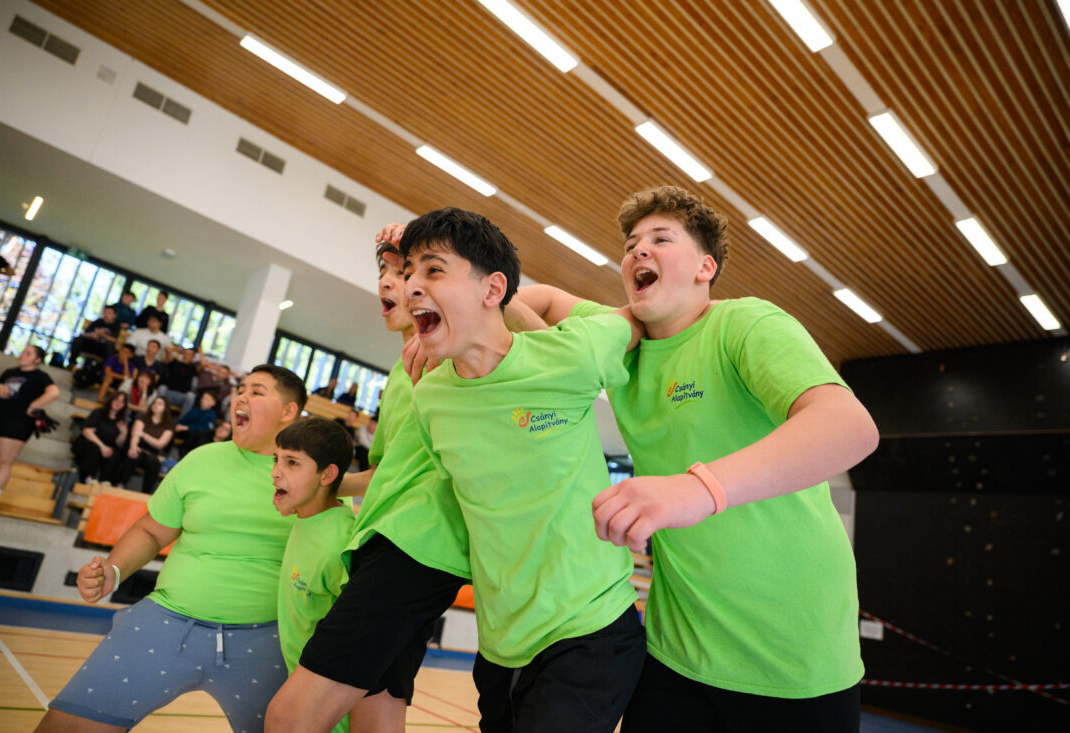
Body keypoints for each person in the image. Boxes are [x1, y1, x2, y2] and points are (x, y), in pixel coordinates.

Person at [513, 186, 880, 732]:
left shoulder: (744, 324)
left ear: (706, 268)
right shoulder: (620, 341)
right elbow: (538, 299)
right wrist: (454, 320)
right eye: (631, 245)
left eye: (661, 239)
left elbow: (851, 428)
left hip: (797, 659)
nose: (639, 250)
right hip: (676, 656)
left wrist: (696, 489)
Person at [399, 208, 646, 733]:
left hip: (591, 629)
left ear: (493, 289)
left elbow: (640, 319)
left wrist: (519, 308)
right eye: (408, 274)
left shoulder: (572, 353)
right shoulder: (429, 398)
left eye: (433, 270)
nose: (411, 286)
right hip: (500, 646)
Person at [264, 237, 470, 733]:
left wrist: (420, 234)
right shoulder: (401, 371)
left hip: (412, 545)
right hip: (403, 542)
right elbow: (384, 471)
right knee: (377, 709)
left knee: (289, 716)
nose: (389, 283)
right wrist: (318, 483)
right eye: (386, 272)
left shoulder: (452, 355)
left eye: (406, 272)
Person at [34, 365, 307, 733]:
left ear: (288, 411)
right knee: (67, 727)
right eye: (241, 389)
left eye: (257, 392)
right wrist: (114, 570)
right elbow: (151, 531)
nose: (241, 396)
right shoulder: (200, 460)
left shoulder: (314, 478)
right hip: (166, 621)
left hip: (267, 639)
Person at [270, 417, 357, 733]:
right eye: (276, 459)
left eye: (292, 462)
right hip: (301, 690)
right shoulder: (307, 515)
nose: (275, 472)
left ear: (327, 475)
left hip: (331, 714)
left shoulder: (341, 542)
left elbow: (363, 641)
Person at [0, 344, 61, 513]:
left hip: (18, 422)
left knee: (3, 462)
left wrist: (34, 405)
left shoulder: (40, 376)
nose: (23, 355)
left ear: (37, 360)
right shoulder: (9, 372)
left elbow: (54, 392)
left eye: (28, 353)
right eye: (23, 351)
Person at [119, 395, 174, 493]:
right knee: (134, 454)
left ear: (165, 408)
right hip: (137, 448)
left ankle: (146, 493)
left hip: (152, 454)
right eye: (154, 402)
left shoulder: (168, 426)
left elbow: (160, 444)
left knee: (154, 461)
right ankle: (120, 484)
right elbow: (135, 435)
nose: (155, 405)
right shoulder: (143, 418)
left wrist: (144, 434)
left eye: (159, 403)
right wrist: (133, 447)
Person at [72, 391, 129, 484]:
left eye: (122, 402)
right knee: (93, 448)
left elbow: (119, 444)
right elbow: (87, 431)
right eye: (116, 400)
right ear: (111, 400)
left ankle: (105, 482)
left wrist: (124, 433)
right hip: (91, 442)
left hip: (108, 447)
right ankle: (87, 478)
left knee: (115, 454)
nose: (118, 403)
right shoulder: (98, 412)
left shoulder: (122, 421)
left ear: (124, 405)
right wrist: (102, 446)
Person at [174, 389, 218, 458]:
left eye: (207, 399)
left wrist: (188, 428)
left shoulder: (211, 415)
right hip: (185, 433)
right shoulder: (195, 410)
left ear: (213, 403)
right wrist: (180, 426)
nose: (203, 400)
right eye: (203, 398)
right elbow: (183, 421)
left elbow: (208, 429)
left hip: (197, 438)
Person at [157, 345, 198, 409]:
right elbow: (168, 349)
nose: (186, 355)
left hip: (182, 396)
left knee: (191, 396)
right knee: (162, 388)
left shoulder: (193, 368)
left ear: (193, 357)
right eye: (185, 353)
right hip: (168, 392)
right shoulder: (175, 362)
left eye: (189, 354)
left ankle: (183, 416)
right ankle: (158, 410)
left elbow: (203, 365)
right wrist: (178, 349)